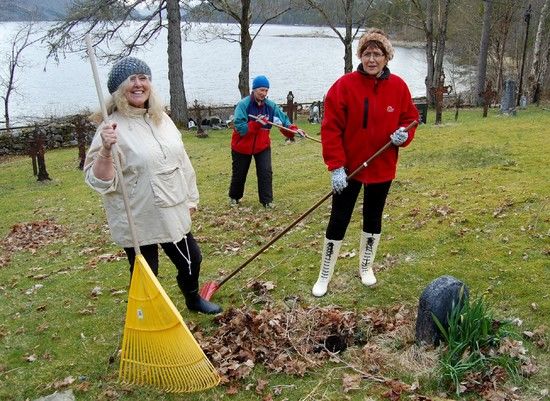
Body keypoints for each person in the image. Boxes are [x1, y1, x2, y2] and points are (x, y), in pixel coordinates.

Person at [84, 57, 221, 314]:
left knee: (191, 260)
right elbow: (99, 181)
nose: (139, 84)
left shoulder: (162, 119)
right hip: (138, 214)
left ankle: (193, 300)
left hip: (172, 205)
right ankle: (150, 317)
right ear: (119, 89)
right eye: (131, 80)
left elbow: (183, 161)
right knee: (147, 273)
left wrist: (191, 198)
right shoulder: (111, 128)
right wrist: (105, 149)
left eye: (143, 78)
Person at [312, 29, 419, 297]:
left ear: (386, 58)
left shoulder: (399, 87)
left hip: (382, 168)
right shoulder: (344, 86)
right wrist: (336, 165)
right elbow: (331, 128)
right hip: (349, 170)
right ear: (360, 56)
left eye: (378, 54)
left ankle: (366, 267)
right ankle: (325, 273)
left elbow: (410, 118)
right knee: (339, 219)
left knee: (373, 217)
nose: (372, 59)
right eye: (367, 53)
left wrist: (403, 135)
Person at [229, 75, 305, 208]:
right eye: (261, 90)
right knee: (239, 173)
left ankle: (267, 201)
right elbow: (240, 128)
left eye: (266, 90)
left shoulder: (271, 107)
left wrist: (294, 131)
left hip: (262, 146)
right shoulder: (243, 105)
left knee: (265, 172)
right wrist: (256, 124)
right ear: (254, 90)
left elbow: (283, 122)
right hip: (241, 147)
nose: (264, 93)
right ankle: (235, 197)